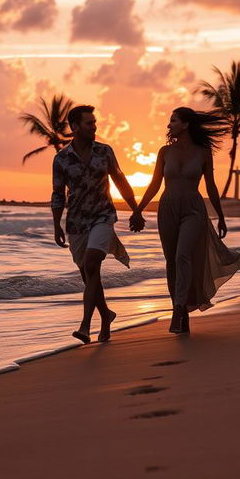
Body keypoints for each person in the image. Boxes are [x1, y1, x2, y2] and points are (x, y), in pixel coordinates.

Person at [130, 107, 240, 335]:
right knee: (171, 261)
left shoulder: (202, 152)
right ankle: (178, 309)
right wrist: (138, 210)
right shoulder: (164, 152)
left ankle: (180, 309)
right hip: (168, 207)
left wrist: (219, 215)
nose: (169, 125)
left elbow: (210, 185)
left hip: (193, 209)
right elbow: (154, 184)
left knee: (182, 256)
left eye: (173, 120)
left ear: (186, 124)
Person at [51, 105, 145, 344]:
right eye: (89, 123)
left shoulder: (104, 151)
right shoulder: (61, 159)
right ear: (74, 127)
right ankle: (106, 315)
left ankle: (85, 325)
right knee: (88, 274)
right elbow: (58, 194)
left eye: (94, 122)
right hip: (76, 222)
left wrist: (135, 209)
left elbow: (120, 179)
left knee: (92, 263)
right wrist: (56, 225)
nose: (94, 127)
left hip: (103, 217)